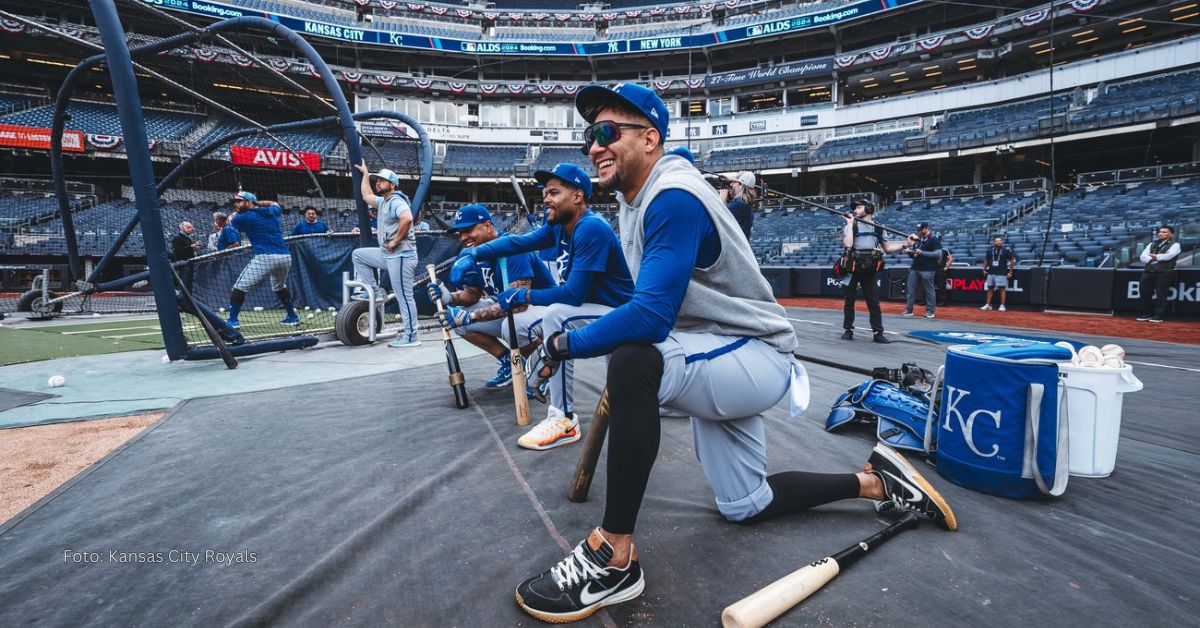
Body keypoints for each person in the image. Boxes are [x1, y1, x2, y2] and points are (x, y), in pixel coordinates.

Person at [513, 82, 956, 623]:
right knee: (745, 505)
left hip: (752, 353)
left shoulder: (671, 196)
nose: (594, 146)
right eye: (590, 135)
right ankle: (875, 481)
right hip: (715, 352)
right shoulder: (636, 199)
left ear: (650, 139)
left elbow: (650, 318)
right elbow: (653, 310)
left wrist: (564, 342)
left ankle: (615, 555)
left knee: (635, 358)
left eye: (607, 132)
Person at [455, 163, 635, 451]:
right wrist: (473, 253)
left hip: (623, 314)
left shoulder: (591, 228)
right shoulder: (556, 228)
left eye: (554, 192)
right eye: (544, 193)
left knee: (556, 316)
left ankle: (562, 416)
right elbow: (516, 243)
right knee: (629, 391)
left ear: (577, 196)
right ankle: (552, 396)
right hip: (596, 310)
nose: (546, 198)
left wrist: (524, 297)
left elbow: (573, 295)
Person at [429, 204, 556, 388]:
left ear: (488, 226)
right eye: (460, 233)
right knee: (458, 320)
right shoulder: (473, 255)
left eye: (468, 230)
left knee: (514, 324)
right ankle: (510, 362)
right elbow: (472, 295)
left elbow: (519, 304)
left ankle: (542, 368)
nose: (464, 238)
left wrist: (470, 317)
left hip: (544, 309)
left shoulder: (513, 248)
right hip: (509, 308)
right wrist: (450, 298)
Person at [350, 162, 421, 348]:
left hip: (402, 255)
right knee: (359, 255)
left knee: (404, 296)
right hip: (389, 255)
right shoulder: (383, 202)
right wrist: (365, 174)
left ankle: (412, 337)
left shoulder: (396, 200)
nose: (378, 182)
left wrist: (396, 241)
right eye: (378, 180)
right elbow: (366, 195)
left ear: (393, 184)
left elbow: (408, 218)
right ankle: (376, 292)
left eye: (383, 180)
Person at [225, 191, 298, 328]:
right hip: (285, 257)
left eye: (239, 201)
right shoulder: (272, 211)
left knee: (239, 287)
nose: (236, 204)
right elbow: (274, 203)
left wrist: (236, 212)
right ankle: (292, 316)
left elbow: (230, 221)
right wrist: (257, 203)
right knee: (279, 286)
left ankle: (232, 321)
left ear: (249, 202)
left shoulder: (241, 217)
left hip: (265, 257)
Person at [840, 200, 907, 343]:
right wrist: (850, 224)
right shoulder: (852, 225)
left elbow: (888, 249)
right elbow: (848, 244)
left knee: (873, 301)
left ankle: (878, 332)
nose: (855, 210)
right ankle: (848, 330)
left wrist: (905, 245)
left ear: (869, 208)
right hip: (852, 267)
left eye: (859, 207)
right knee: (849, 300)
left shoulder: (878, 228)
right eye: (855, 208)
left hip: (869, 268)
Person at [1136, 225, 1180, 323]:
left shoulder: (1175, 245)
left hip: (1164, 272)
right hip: (1148, 271)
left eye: (1164, 232)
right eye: (1160, 232)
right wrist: (1156, 257)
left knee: (1161, 295)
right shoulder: (1152, 244)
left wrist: (1156, 257)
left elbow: (1168, 256)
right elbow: (1142, 257)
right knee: (1144, 292)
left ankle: (1158, 316)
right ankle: (1147, 314)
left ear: (1171, 234)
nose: (1161, 233)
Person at [903, 221, 942, 319]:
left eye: (921, 230)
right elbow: (915, 254)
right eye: (918, 230)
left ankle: (930, 311)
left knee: (929, 290)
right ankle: (909, 310)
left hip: (928, 269)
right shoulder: (919, 240)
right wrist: (909, 252)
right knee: (910, 290)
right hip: (915, 268)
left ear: (926, 228)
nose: (919, 231)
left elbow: (938, 254)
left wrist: (922, 252)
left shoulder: (934, 239)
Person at [980, 235, 1016, 312]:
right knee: (990, 289)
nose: (998, 242)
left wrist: (1010, 271)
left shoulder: (1006, 250)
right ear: (994, 242)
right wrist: (984, 269)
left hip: (1001, 272)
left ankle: (1002, 305)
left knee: (1002, 289)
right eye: (996, 241)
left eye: (1000, 241)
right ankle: (988, 305)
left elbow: (1012, 260)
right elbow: (986, 259)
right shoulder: (989, 250)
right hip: (991, 272)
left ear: (1002, 242)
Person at [719, 171, 756, 241]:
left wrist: (721, 201)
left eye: (734, 182)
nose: (731, 184)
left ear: (741, 185)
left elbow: (718, 219)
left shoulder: (739, 204)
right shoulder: (743, 204)